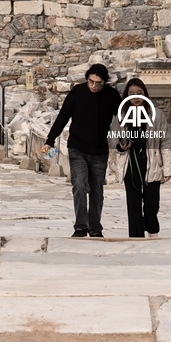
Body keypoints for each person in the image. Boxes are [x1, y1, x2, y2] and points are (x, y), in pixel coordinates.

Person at [43, 64, 121, 238]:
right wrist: (50, 140)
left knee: (97, 190)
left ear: (104, 82)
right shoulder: (77, 92)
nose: (93, 86)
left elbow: (124, 119)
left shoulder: (112, 95)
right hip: (77, 148)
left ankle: (94, 228)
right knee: (79, 185)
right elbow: (63, 116)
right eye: (91, 81)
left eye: (98, 83)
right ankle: (80, 226)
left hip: (100, 150)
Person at [112, 79, 171, 238]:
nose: (135, 97)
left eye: (139, 93)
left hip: (151, 162)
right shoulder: (120, 115)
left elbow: (166, 141)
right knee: (133, 204)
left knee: (152, 203)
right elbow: (113, 140)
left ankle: (152, 228)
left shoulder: (157, 114)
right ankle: (136, 235)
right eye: (131, 94)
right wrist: (121, 146)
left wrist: (168, 168)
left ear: (145, 94)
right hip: (130, 163)